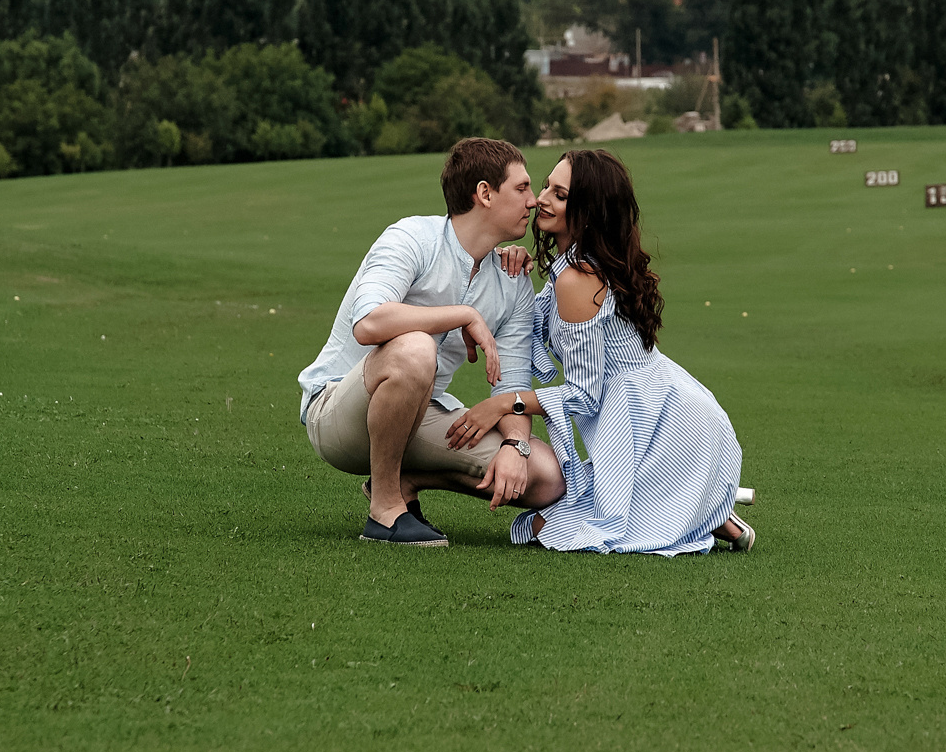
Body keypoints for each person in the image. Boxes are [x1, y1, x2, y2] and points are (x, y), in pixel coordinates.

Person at [463, 148, 752, 556]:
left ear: (588, 212)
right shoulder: (571, 264)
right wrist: (508, 267)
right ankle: (709, 511)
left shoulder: (579, 278)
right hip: (651, 408)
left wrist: (507, 405)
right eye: (546, 185)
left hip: (663, 423)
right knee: (553, 523)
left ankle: (703, 509)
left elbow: (583, 394)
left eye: (559, 195)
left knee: (559, 527)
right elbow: (530, 325)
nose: (540, 198)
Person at [297, 138, 565, 547]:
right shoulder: (413, 237)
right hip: (337, 414)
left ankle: (403, 480)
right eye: (523, 187)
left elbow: (510, 384)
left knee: (545, 477)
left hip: (416, 417)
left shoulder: (513, 282)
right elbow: (368, 322)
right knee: (416, 348)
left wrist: (515, 444)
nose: (533, 201)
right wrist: (464, 314)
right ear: (485, 194)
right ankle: (385, 512)